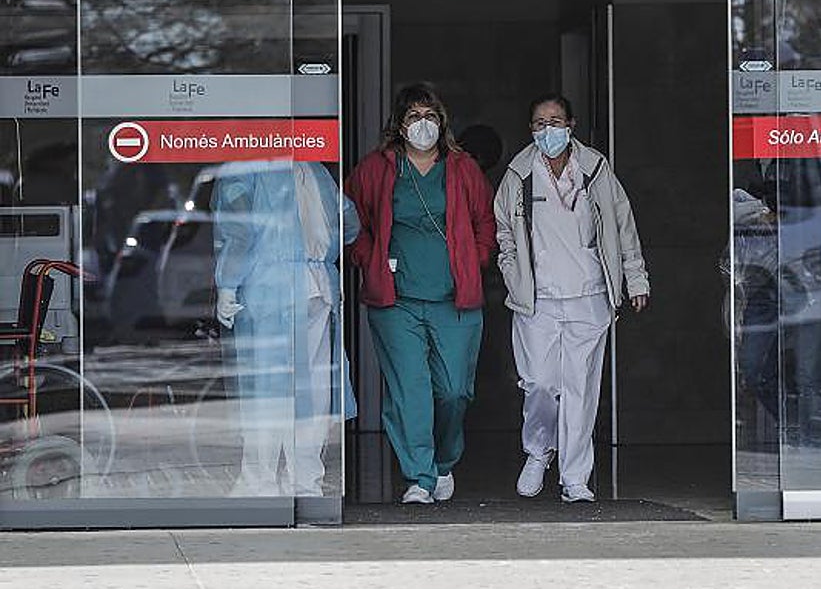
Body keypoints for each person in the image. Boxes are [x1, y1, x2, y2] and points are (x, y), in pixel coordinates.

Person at [494, 93, 649, 503]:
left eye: (556, 121)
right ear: (531, 129)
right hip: (537, 299)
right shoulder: (518, 173)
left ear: (571, 125)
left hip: (590, 295)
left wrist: (635, 279)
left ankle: (575, 477)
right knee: (540, 383)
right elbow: (504, 233)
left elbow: (622, 223)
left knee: (581, 388)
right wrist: (512, 274)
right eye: (540, 123)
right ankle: (539, 450)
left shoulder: (595, 167)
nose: (549, 129)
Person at [345, 83, 495, 505]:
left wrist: (476, 258)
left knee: (453, 390)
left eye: (430, 116)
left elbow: (486, 221)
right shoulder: (377, 168)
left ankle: (445, 461)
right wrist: (367, 257)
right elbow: (349, 216)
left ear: (442, 122)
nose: (423, 125)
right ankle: (420, 477)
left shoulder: (462, 169)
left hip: (455, 298)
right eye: (414, 117)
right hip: (397, 302)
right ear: (399, 124)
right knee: (410, 388)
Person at [214, 161, 359, 497]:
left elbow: (239, 232)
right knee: (315, 388)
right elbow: (349, 222)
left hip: (270, 289)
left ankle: (259, 481)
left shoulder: (245, 168)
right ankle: (306, 481)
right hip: (318, 286)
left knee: (267, 390)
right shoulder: (316, 169)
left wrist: (227, 284)